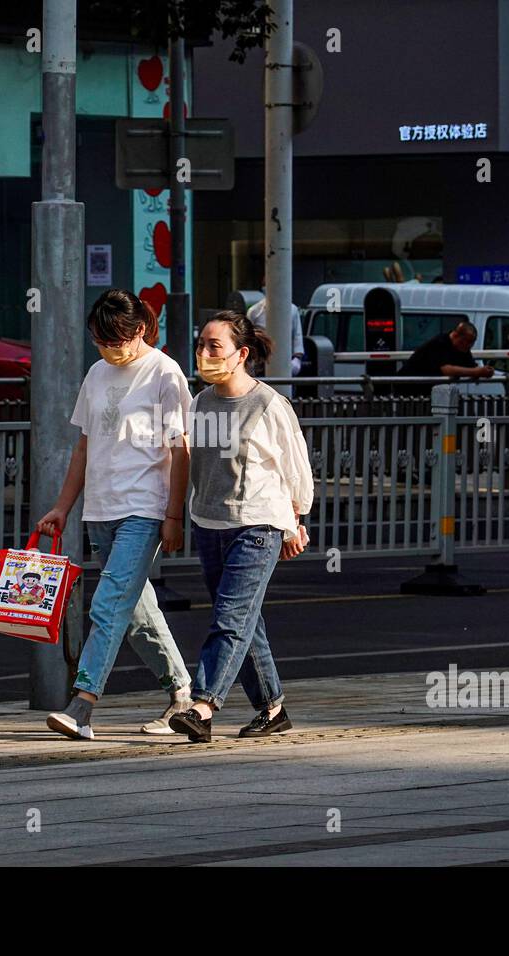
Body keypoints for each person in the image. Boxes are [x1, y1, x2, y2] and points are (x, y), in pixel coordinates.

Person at [39, 289, 194, 740]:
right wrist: (63, 506)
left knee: (108, 605)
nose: (109, 350)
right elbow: (85, 445)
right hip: (101, 509)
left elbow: (180, 449)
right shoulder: (97, 373)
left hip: (144, 508)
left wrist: (173, 515)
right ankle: (182, 693)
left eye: (116, 341)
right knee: (137, 614)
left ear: (139, 331)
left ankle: (82, 705)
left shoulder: (165, 374)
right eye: (101, 341)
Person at [169, 311, 314, 744]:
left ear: (241, 354)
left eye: (214, 346)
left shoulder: (269, 404)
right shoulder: (200, 402)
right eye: (201, 345)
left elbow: (295, 469)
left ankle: (202, 705)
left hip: (257, 524)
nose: (204, 354)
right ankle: (272, 708)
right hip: (209, 523)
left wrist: (294, 522)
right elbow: (194, 462)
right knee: (242, 619)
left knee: (230, 619)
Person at [398, 321, 494, 396]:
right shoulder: (439, 343)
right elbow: (446, 369)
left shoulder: (462, 348)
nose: (469, 346)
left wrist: (483, 371)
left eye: (472, 342)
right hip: (409, 388)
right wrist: (476, 372)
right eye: (467, 342)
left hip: (429, 390)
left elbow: (471, 367)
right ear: (456, 336)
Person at [247, 277, 305, 377]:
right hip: (260, 360)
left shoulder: (292, 310)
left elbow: (297, 336)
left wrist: (297, 359)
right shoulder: (255, 311)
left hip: (286, 359)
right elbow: (247, 337)